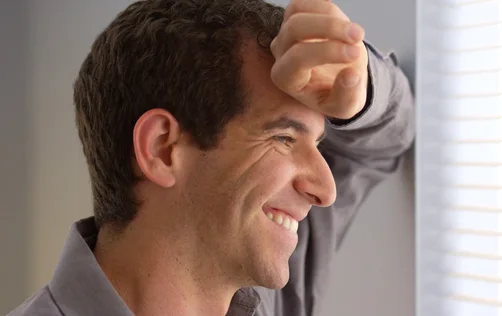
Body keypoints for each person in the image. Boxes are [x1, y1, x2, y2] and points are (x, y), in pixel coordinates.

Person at [8, 0, 414, 315]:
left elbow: (382, 141)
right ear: (162, 149)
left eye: (319, 144)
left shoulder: (270, 289)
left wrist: (357, 87)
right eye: (284, 138)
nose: (325, 190)